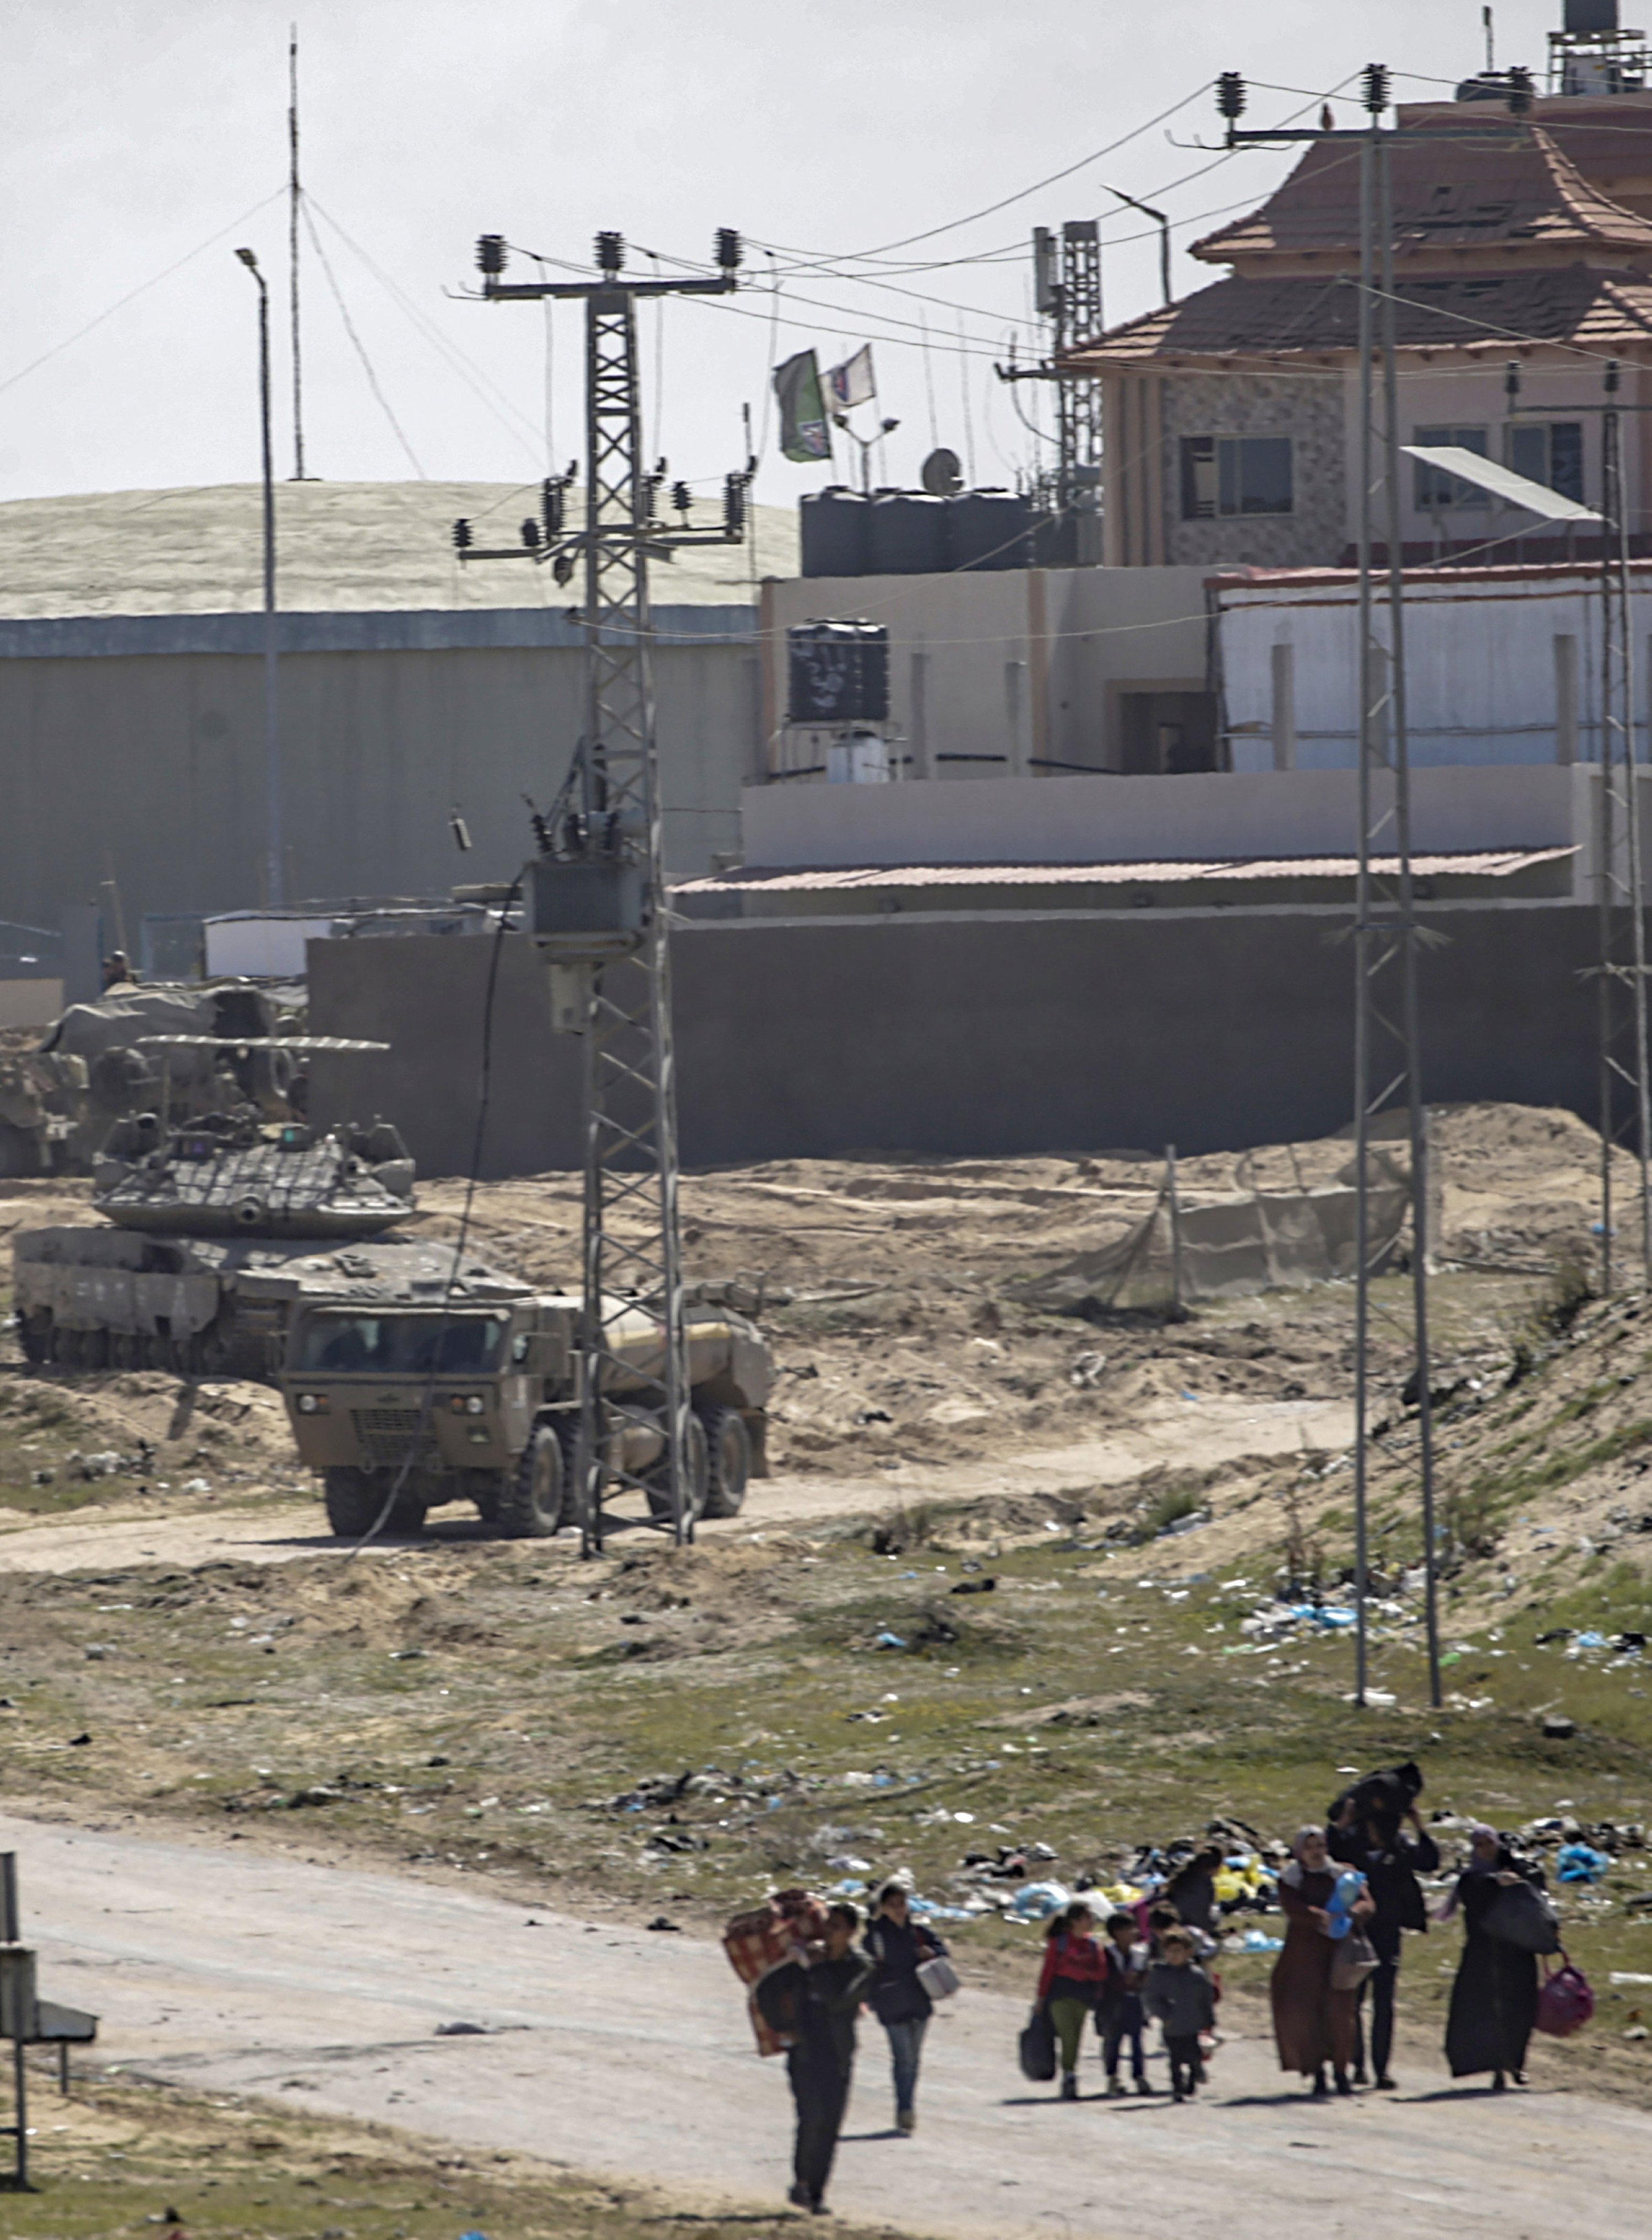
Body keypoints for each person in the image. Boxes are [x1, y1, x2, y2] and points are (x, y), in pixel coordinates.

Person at [758, 1901, 873, 2214]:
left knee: (831, 2126)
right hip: (805, 2053)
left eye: (837, 1927)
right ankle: (802, 2184)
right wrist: (783, 2027)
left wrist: (815, 1967)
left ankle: (818, 2194)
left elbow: (839, 1999)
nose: (830, 1932)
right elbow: (766, 1989)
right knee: (812, 2118)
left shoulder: (861, 1966)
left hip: (837, 2057)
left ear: (850, 1933)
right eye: (828, 1925)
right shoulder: (806, 1961)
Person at [1328, 1771, 1439, 2089]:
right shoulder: (1350, 1847)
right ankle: (1357, 2064)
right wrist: (1345, 1820)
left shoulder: (1400, 1849)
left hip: (1388, 1934)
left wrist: (1419, 1824)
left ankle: (1381, 2069)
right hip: (1357, 1934)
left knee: (1384, 2004)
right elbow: (1328, 1849)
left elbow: (1430, 1862)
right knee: (1354, 2002)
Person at [1271, 1826, 1374, 2099]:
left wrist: (1353, 1912)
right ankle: (1317, 2073)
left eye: (1320, 1846)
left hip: (1339, 1954)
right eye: (1310, 1847)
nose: (1316, 1853)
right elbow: (1293, 1908)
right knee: (1308, 2014)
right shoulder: (1291, 1878)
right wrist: (1319, 1917)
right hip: (1304, 1955)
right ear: (1299, 1852)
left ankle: (1342, 2072)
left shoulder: (1344, 1874)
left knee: (1341, 2014)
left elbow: (1367, 1903)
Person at [1444, 1826, 1547, 2091]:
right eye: (1479, 1845)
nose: (1485, 1849)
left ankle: (1516, 2062)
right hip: (1484, 1955)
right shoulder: (1471, 1878)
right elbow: (1474, 1896)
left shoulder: (1519, 1868)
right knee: (1485, 2011)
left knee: (1520, 2007)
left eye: (1488, 1843)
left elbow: (1537, 1893)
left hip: (1517, 1950)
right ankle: (1496, 2067)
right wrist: (1495, 1883)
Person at [862, 1875, 948, 2134]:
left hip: (919, 2002)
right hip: (891, 2006)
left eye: (903, 1903)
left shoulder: (919, 1932)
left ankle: (906, 2107)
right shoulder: (874, 1939)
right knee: (904, 2059)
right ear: (883, 1908)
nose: (899, 1909)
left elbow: (942, 1951)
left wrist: (931, 1954)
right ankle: (905, 2109)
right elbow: (866, 1971)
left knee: (913, 2060)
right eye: (893, 1904)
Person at [1036, 1900, 1108, 2100]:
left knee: (1075, 2038)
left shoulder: (1093, 1945)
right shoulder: (1059, 1943)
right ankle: (1069, 2074)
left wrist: (1081, 1971)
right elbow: (1048, 1971)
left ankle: (1070, 2073)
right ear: (1075, 1921)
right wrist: (1041, 1998)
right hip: (1060, 1997)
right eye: (1088, 1917)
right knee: (1068, 2036)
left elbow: (1102, 1972)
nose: (1092, 1921)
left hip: (1082, 1998)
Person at [1143, 1927, 1217, 2103]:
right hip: (1172, 2026)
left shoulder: (1196, 1976)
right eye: (1170, 1951)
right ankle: (1177, 2086)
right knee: (1175, 2059)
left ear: (1189, 1953)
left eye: (1179, 1951)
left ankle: (1194, 2076)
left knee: (1193, 2055)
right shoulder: (1160, 1974)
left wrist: (1209, 2020)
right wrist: (1163, 2014)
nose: (1174, 1955)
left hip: (1193, 2025)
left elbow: (1206, 1999)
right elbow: (1151, 1997)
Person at [1097, 1910, 1153, 2097]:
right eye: (1130, 1929)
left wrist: (1139, 1979)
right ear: (1118, 1932)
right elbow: (1105, 1979)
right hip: (1114, 2004)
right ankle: (1113, 2077)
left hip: (1135, 2002)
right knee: (1114, 2042)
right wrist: (1123, 1981)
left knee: (1137, 2042)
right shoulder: (1107, 1954)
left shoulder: (1140, 1953)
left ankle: (1139, 2077)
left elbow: (1146, 1975)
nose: (1136, 1932)